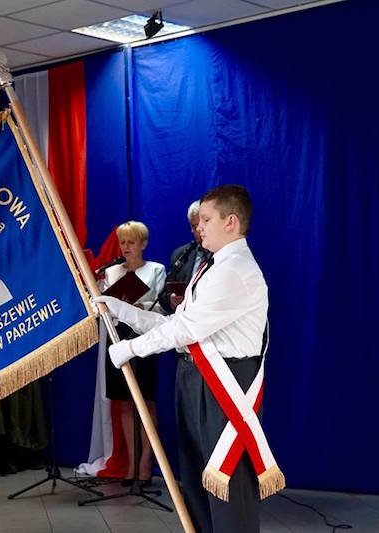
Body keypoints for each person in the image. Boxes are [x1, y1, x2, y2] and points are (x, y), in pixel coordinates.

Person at [97, 185, 283, 533]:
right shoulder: (211, 266)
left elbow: (186, 330)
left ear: (231, 222)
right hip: (194, 378)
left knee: (226, 484)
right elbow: (177, 322)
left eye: (206, 220)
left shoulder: (234, 270)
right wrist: (124, 311)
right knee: (197, 480)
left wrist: (131, 349)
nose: (199, 226)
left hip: (224, 384)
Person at [101, 221, 165, 485]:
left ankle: (145, 462)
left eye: (131, 242)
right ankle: (130, 461)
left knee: (146, 401)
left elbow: (161, 306)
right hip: (118, 336)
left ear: (143, 244)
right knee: (124, 402)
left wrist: (140, 306)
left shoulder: (156, 269)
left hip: (145, 338)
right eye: (123, 242)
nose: (126, 247)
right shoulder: (112, 271)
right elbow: (105, 306)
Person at [161, 200, 212, 314]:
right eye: (195, 226)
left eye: (203, 224)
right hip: (182, 318)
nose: (199, 230)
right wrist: (171, 299)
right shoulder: (181, 254)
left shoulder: (222, 253)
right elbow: (163, 295)